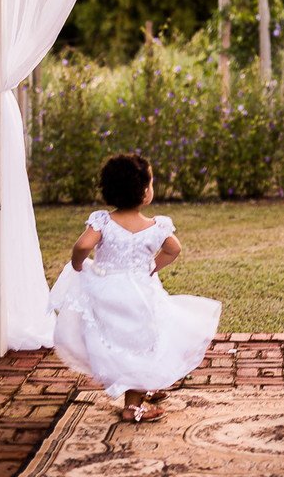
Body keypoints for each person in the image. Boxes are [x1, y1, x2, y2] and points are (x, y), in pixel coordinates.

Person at [49, 153, 220, 422]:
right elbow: (174, 249)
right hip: (141, 293)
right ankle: (132, 406)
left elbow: (83, 246)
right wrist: (152, 267)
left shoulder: (103, 221)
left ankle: (141, 386)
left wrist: (78, 265)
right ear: (143, 192)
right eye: (150, 183)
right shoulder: (155, 226)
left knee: (118, 341)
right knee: (144, 342)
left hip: (106, 289)